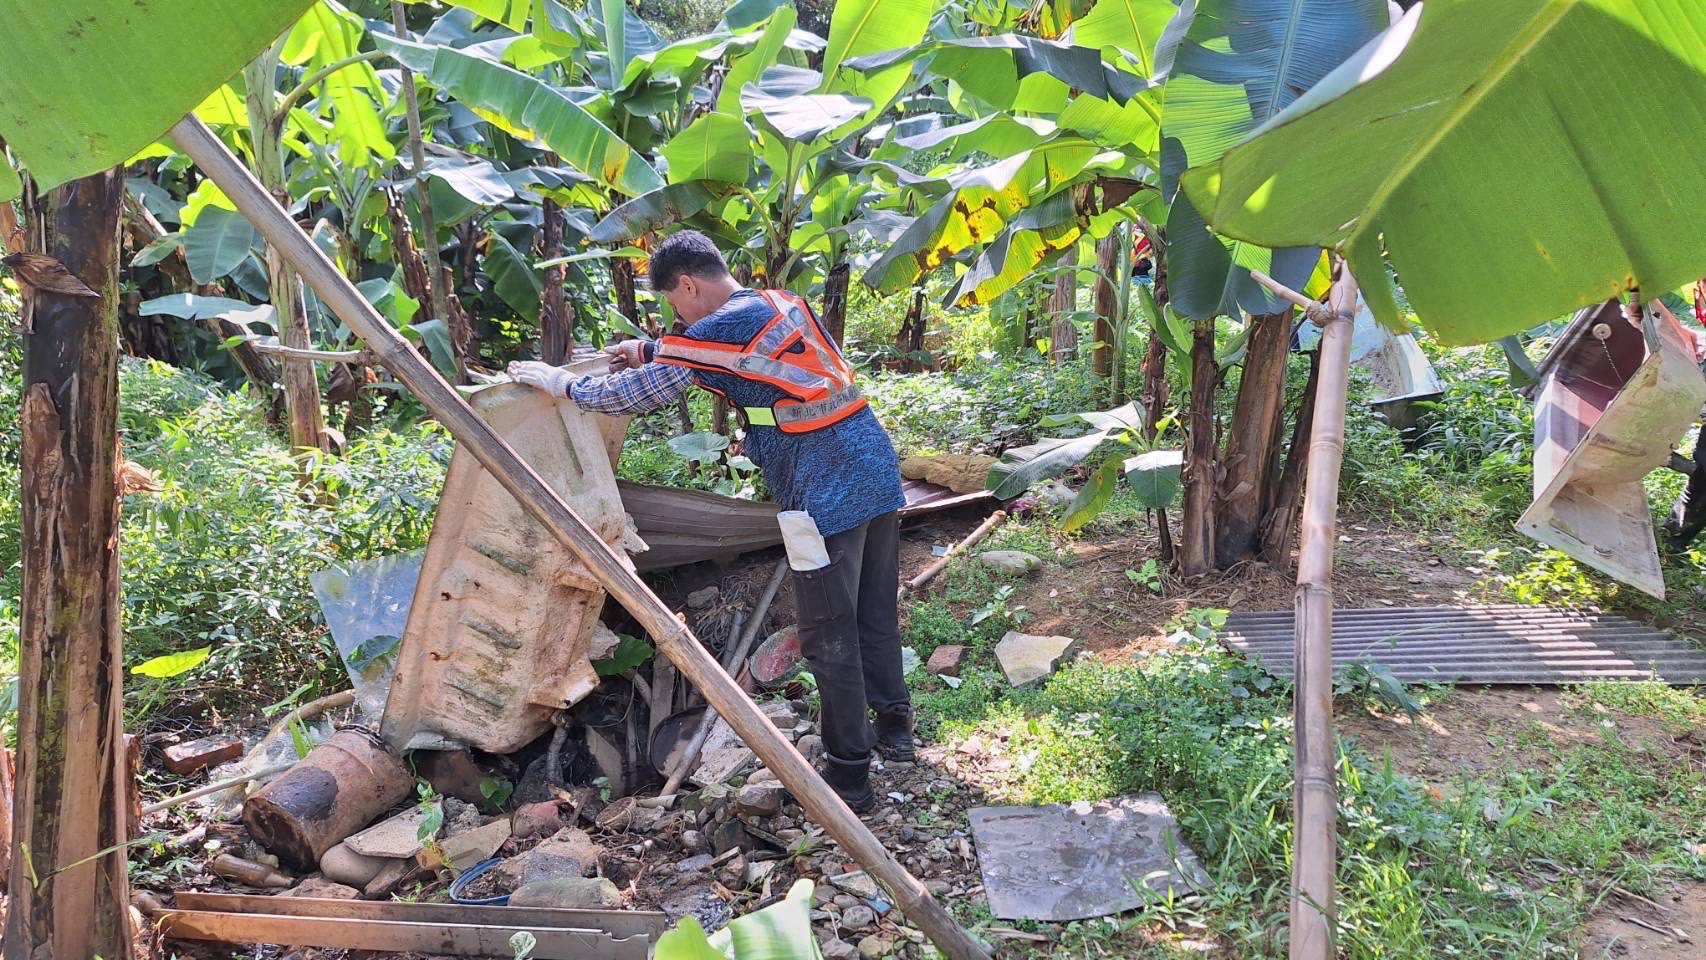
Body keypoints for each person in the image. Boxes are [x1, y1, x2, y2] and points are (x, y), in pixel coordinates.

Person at [507, 230, 912, 813]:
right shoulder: (778, 303)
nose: (679, 319)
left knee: (829, 634)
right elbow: (722, 358)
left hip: (823, 489)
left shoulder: (718, 326)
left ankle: (850, 780)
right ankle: (895, 733)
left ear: (690, 286)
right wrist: (646, 348)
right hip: (873, 468)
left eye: (676, 305)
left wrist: (565, 384)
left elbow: (644, 392)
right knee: (874, 613)